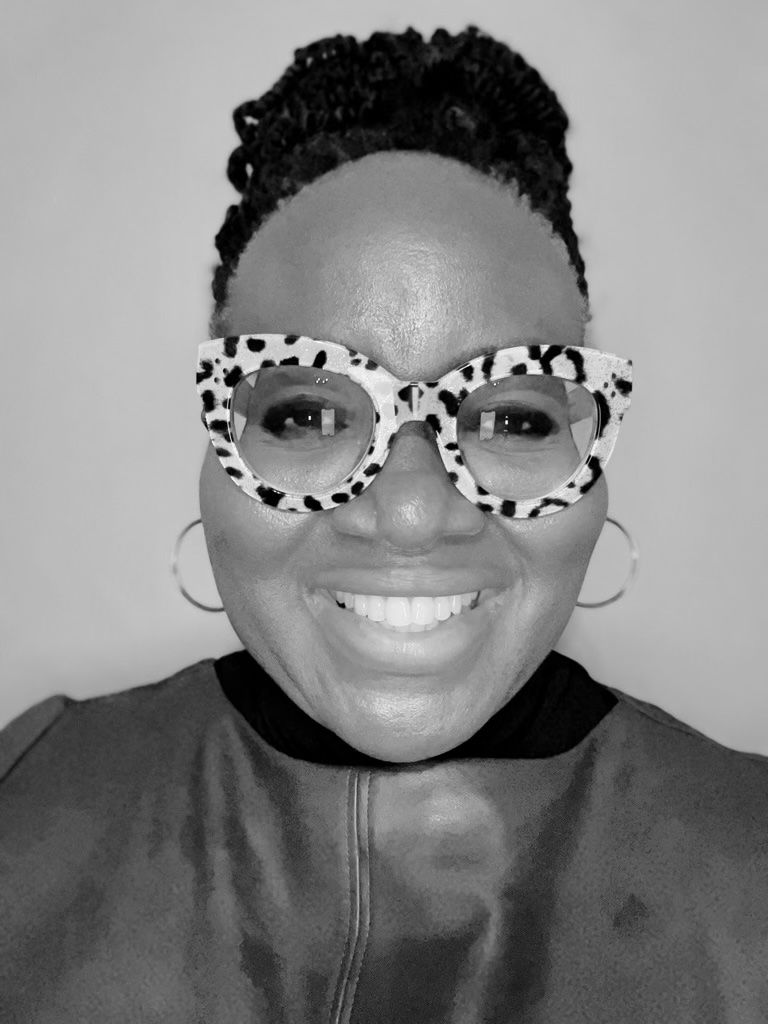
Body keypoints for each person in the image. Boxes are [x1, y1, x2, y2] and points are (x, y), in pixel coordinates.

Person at [1, 25, 766, 1024]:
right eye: (309, 415)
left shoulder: (748, 870)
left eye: (511, 417)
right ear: (219, 447)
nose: (408, 512)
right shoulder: (30, 800)